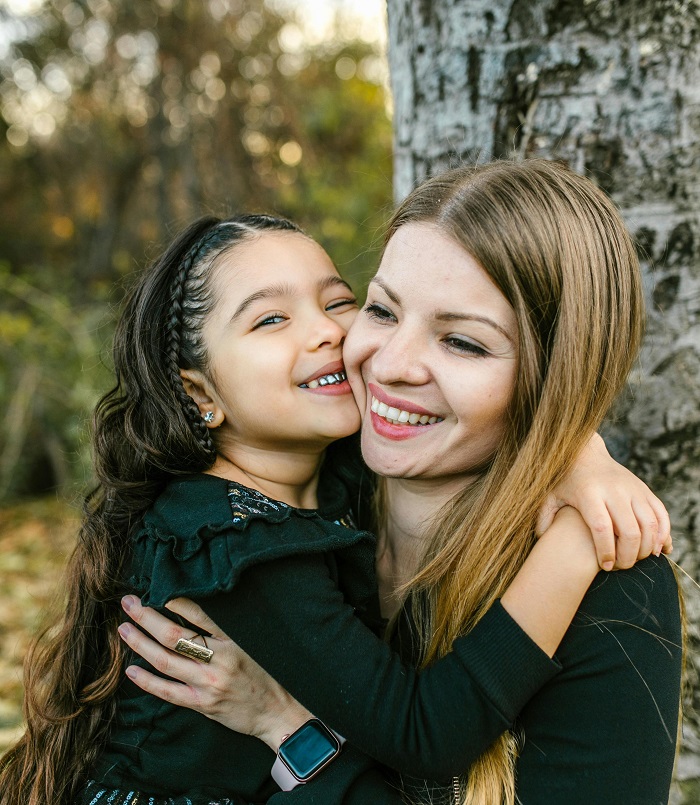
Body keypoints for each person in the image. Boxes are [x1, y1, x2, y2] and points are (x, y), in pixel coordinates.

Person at [0, 173, 674, 805]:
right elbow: (428, 732)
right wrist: (574, 534)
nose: (384, 360)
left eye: (463, 342)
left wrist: (581, 454)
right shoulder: (251, 528)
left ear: (551, 379)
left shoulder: (613, 592)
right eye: (382, 310)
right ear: (200, 393)